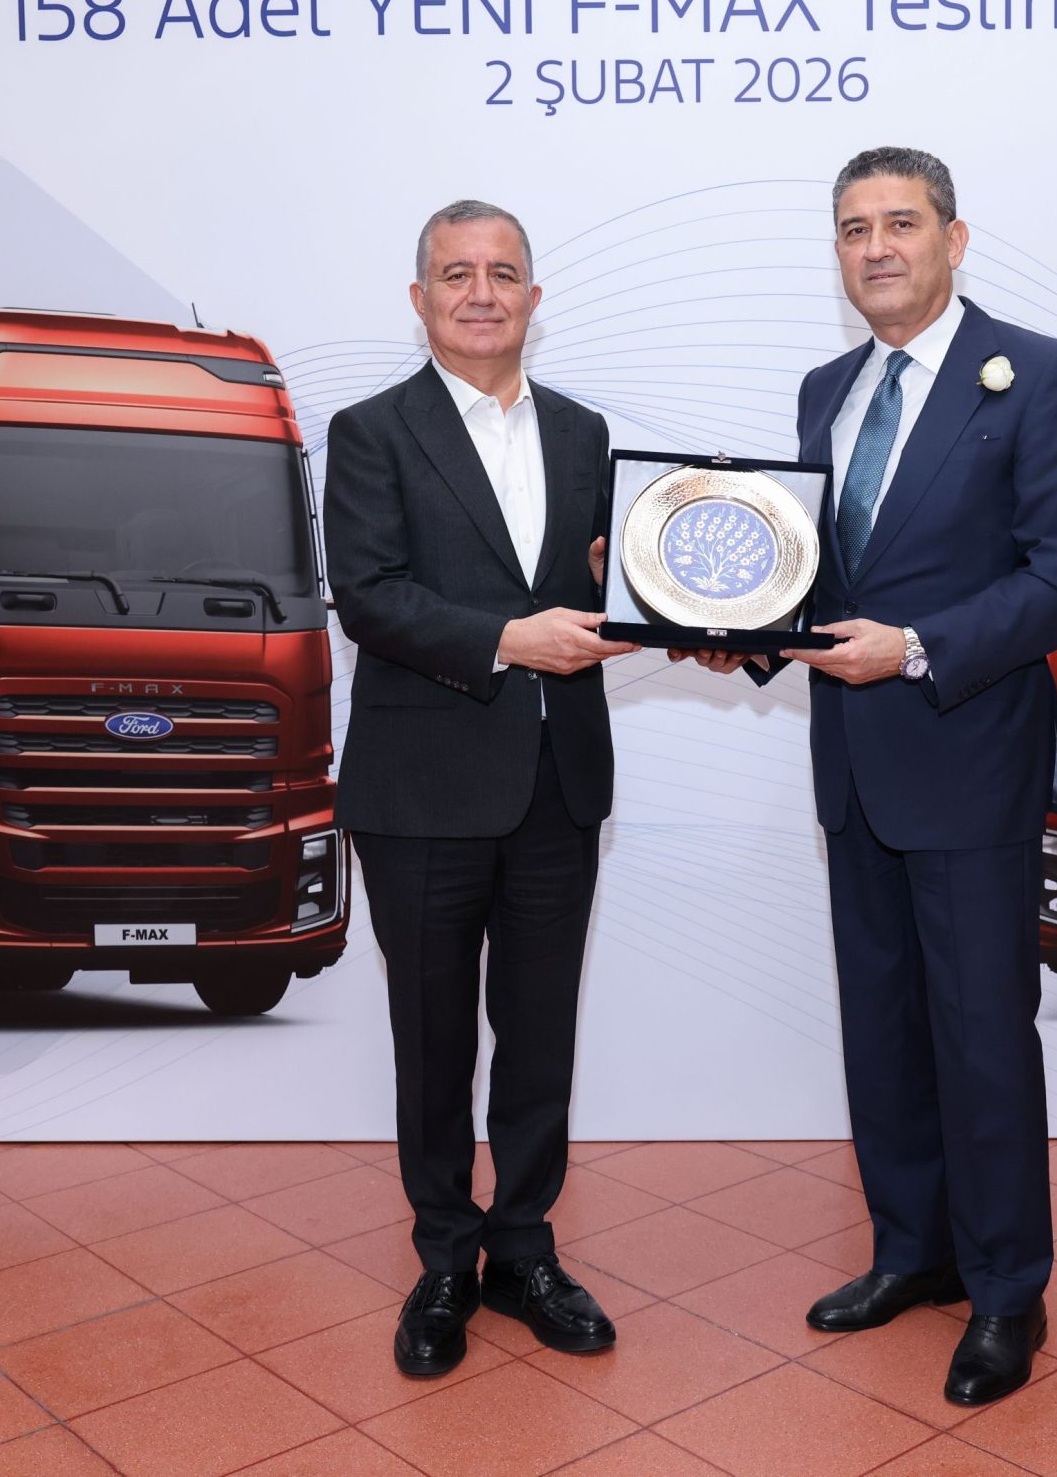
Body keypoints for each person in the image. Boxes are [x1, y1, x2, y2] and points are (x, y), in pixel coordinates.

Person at [679, 147, 1057, 1405]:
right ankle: (912, 1252)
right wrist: (738, 626)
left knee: (981, 1036)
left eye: (901, 223)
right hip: (853, 769)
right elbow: (821, 582)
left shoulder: (1038, 374)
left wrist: (917, 647)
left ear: (953, 240)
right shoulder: (826, 389)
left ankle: (1006, 1290)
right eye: (854, 228)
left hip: (968, 758)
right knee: (881, 1029)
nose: (876, 247)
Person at [324, 198, 635, 1378]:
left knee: (540, 1038)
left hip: (558, 780)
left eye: (503, 272)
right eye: (456, 273)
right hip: (420, 790)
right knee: (433, 1039)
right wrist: (508, 638)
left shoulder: (584, 433)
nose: (481, 292)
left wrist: (654, 593)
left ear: (533, 297)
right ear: (420, 299)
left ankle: (525, 1248)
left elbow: (607, 587)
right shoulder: (370, 431)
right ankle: (445, 1257)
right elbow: (370, 595)